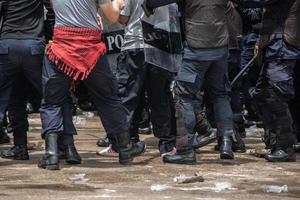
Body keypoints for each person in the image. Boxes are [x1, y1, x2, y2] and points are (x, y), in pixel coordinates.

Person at [39, 0, 145, 170]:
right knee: (108, 100)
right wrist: (117, 4)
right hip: (90, 49)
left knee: (52, 102)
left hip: (61, 48)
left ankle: (51, 155)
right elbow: (112, 17)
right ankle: (125, 149)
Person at [144, 0, 244, 164]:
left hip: (197, 49)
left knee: (184, 97)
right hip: (220, 48)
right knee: (220, 95)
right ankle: (226, 142)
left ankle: (185, 150)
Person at [237, 0, 300, 162]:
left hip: (282, 44)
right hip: (274, 44)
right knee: (263, 93)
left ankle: (285, 145)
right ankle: (277, 139)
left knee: (275, 93)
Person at [115, 0, 177, 157]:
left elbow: (122, 18)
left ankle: (126, 143)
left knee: (129, 97)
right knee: (161, 96)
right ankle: (167, 145)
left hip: (135, 46)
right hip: (160, 45)